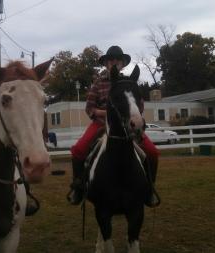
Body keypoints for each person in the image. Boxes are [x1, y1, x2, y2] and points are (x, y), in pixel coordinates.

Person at [67, 45, 160, 206]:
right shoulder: (98, 83)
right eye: (111, 59)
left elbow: (139, 105)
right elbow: (89, 108)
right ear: (106, 63)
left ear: (123, 63)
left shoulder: (129, 83)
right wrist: (106, 113)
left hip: (125, 125)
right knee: (78, 150)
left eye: (118, 59)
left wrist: (130, 115)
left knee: (152, 152)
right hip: (101, 124)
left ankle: (149, 189)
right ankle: (79, 187)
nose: (114, 62)